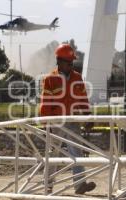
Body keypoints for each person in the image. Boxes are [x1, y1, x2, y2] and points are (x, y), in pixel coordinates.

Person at [40, 43, 96, 194]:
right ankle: (48, 186)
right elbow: (45, 103)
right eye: (68, 62)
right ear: (59, 61)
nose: (71, 65)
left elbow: (82, 99)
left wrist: (87, 117)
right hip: (56, 122)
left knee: (76, 151)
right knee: (53, 153)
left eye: (72, 62)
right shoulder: (50, 79)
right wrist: (45, 123)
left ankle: (79, 185)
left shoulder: (77, 77)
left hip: (72, 121)